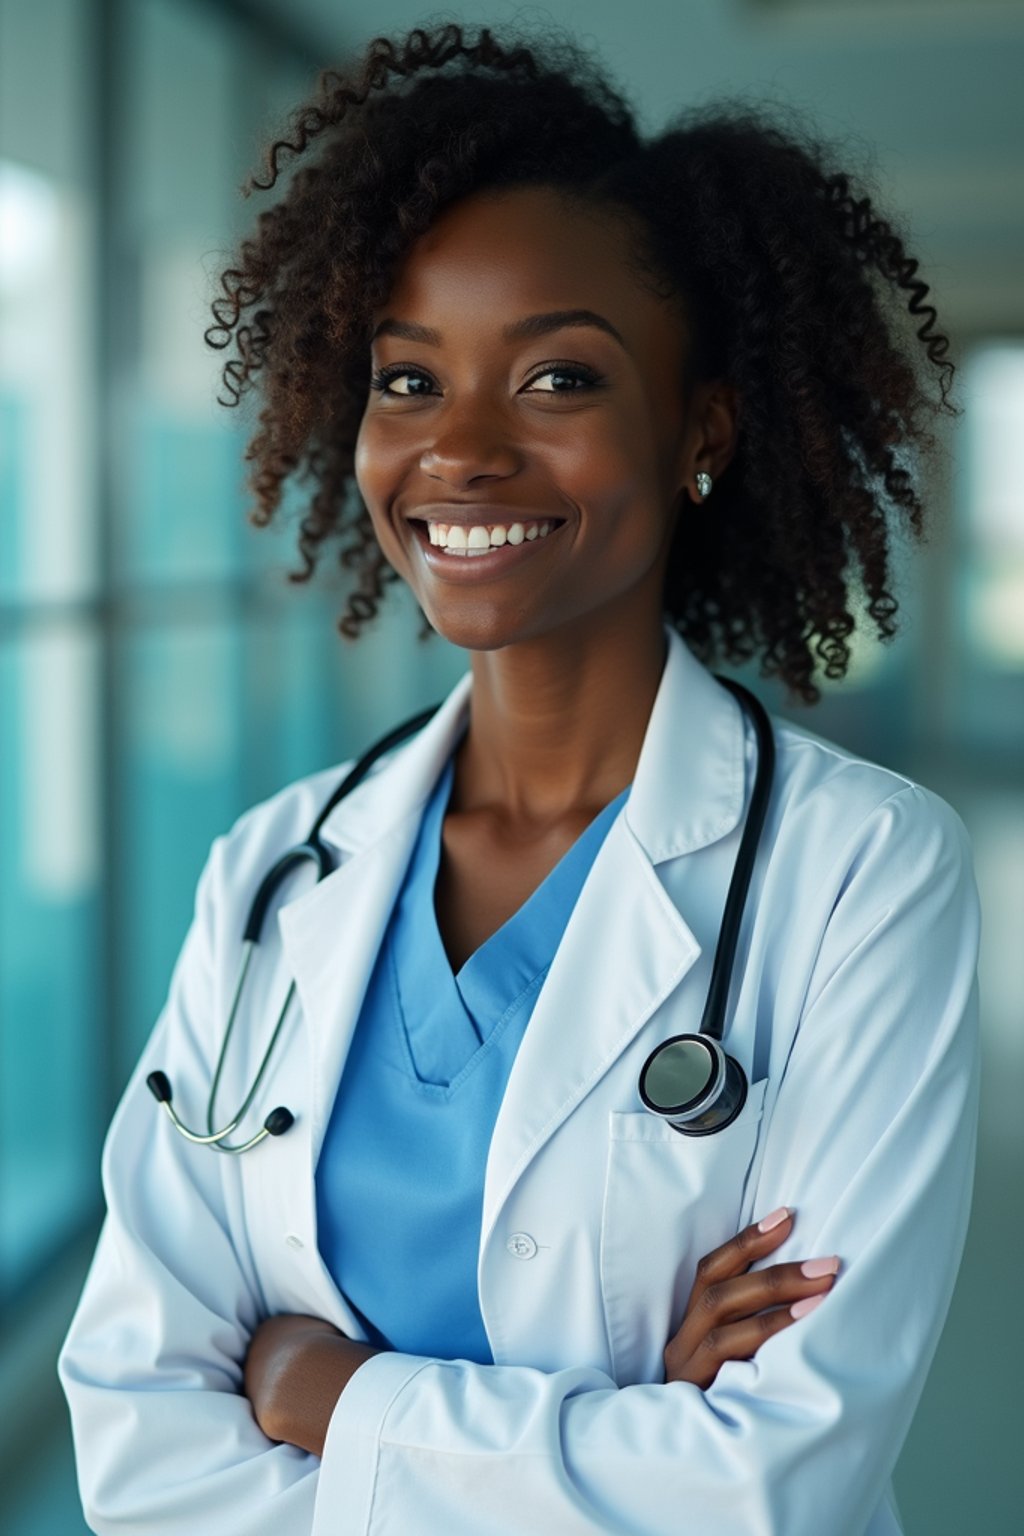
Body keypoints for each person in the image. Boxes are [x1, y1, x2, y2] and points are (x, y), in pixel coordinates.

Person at [59, 19, 980, 1536]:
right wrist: (613, 1435)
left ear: (702, 431)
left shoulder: (863, 874)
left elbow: (774, 1483)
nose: (461, 452)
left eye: (558, 376)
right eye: (408, 380)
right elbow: (136, 1431)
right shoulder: (276, 869)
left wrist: (331, 1396)